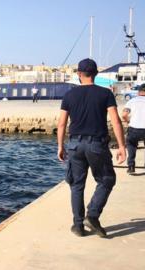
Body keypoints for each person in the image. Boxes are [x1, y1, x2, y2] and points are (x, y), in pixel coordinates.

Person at [57, 58, 126, 238]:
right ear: (95, 74)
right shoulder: (105, 94)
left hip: (74, 144)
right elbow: (116, 120)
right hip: (96, 144)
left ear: (79, 74)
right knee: (106, 179)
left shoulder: (69, 95)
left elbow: (62, 124)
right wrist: (121, 146)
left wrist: (60, 146)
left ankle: (78, 226)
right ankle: (93, 215)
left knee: (77, 185)